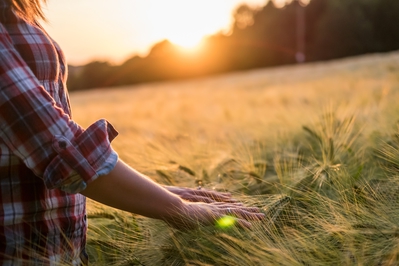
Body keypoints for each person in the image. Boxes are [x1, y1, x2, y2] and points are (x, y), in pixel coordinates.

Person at [0, 0, 264, 264]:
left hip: (60, 252)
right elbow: (58, 146)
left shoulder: (15, 10)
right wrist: (178, 208)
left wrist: (157, 194)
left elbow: (40, 159)